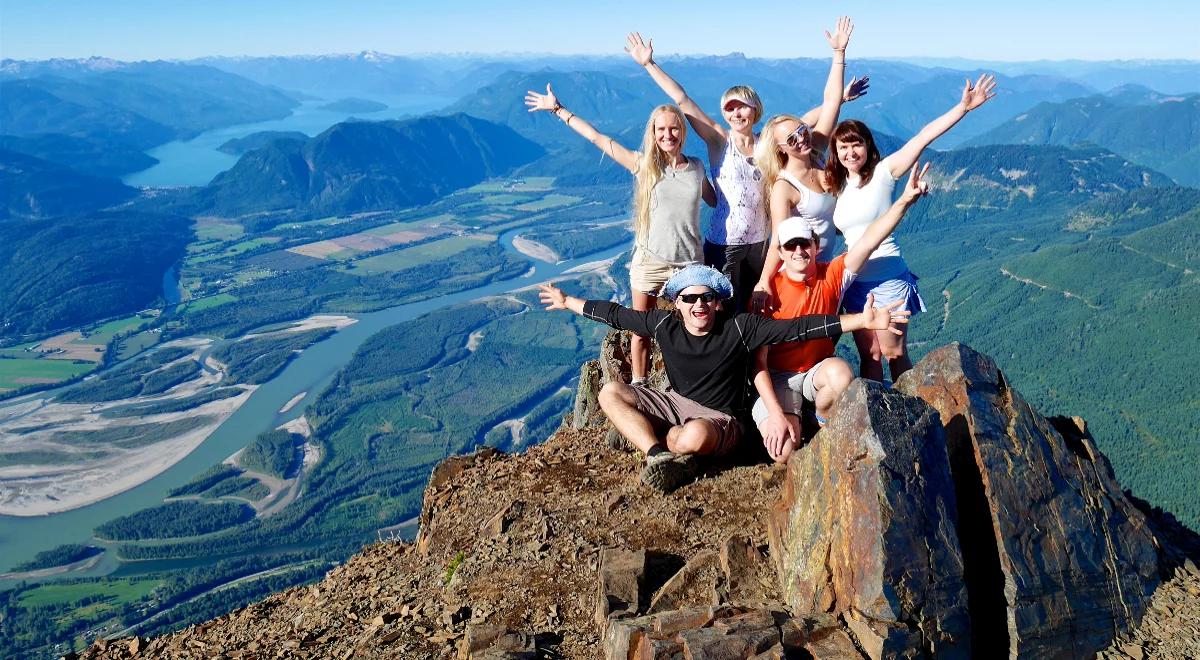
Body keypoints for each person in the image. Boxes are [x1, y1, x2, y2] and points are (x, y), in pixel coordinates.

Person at [537, 264, 909, 492]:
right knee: (610, 393)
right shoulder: (663, 324)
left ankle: (665, 440)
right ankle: (657, 456)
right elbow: (616, 315)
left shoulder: (740, 328)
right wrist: (568, 301)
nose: (698, 305)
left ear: (717, 301)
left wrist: (863, 321)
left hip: (722, 419)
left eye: (706, 298)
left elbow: (799, 329)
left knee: (695, 434)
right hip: (675, 403)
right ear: (677, 303)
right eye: (689, 298)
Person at [625, 17, 867, 311]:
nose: (736, 112)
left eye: (742, 106)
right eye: (730, 107)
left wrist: (838, 99)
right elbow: (682, 99)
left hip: (762, 242)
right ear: (724, 114)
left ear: (755, 110)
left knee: (758, 309)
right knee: (723, 310)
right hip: (723, 243)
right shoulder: (718, 140)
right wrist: (649, 65)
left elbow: (803, 124)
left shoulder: (769, 142)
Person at [524, 88, 716, 384]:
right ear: (653, 133)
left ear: (683, 131)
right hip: (650, 263)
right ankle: (640, 386)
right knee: (640, 331)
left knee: (695, 329)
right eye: (661, 129)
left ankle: (692, 384)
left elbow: (717, 200)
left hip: (689, 265)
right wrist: (558, 110)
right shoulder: (644, 165)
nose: (668, 134)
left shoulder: (697, 168)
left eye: (674, 127)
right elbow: (598, 139)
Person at [753, 162, 931, 463]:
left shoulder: (832, 275)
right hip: (780, 378)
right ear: (781, 252)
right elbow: (757, 364)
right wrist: (773, 412)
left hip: (816, 372)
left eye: (804, 244)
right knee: (783, 454)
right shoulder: (766, 295)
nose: (799, 252)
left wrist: (904, 201)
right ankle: (795, 417)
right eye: (791, 246)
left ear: (815, 245)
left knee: (842, 374)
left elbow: (870, 239)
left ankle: (820, 420)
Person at [827, 74, 997, 382]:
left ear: (868, 147)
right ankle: (876, 418)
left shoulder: (883, 173)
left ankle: (910, 411)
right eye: (843, 147)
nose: (851, 153)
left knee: (893, 353)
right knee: (870, 356)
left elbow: (922, 137)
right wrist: (838, 99)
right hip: (853, 282)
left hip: (888, 276)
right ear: (835, 152)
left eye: (857, 145)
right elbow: (805, 136)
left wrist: (963, 108)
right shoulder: (837, 186)